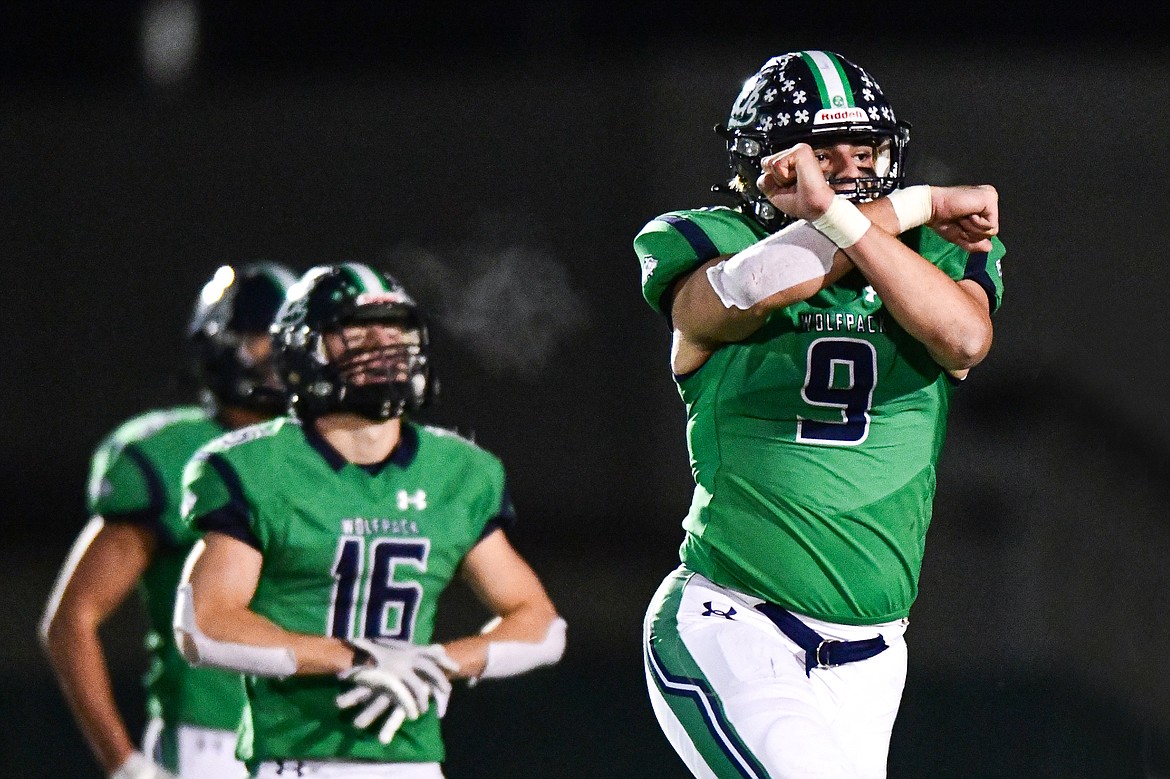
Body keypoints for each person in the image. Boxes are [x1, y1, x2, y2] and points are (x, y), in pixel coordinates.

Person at [636, 50, 1006, 778]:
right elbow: (745, 288)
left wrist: (859, 221)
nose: (844, 170)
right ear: (762, 166)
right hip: (736, 626)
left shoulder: (932, 252)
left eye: (862, 152)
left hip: (873, 661)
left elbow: (965, 338)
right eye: (820, 154)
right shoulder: (715, 238)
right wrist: (914, 203)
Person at [175, 262, 566, 779]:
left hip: (416, 762)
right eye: (356, 330)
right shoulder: (255, 468)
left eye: (397, 329)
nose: (384, 346)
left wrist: (441, 662)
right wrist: (356, 659)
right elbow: (203, 626)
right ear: (303, 349)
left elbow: (541, 625)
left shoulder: (459, 471)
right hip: (298, 760)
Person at [40, 262, 299, 779]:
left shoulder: (324, 454)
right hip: (212, 743)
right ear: (220, 346)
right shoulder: (171, 458)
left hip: (317, 742)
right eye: (258, 341)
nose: (276, 359)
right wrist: (125, 764)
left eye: (287, 343)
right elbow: (72, 621)